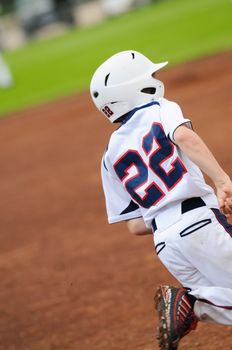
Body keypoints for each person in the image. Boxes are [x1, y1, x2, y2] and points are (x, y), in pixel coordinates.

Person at [90, 50, 232, 350]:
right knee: (211, 300)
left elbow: (134, 226)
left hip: (165, 243)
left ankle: (192, 304)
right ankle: (191, 304)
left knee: (225, 302)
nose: (157, 80)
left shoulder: (109, 154)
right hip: (199, 223)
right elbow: (185, 137)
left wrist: (166, 216)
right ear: (133, 87)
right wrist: (222, 180)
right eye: (150, 76)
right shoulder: (158, 109)